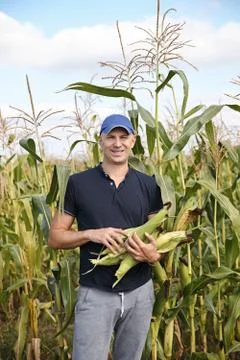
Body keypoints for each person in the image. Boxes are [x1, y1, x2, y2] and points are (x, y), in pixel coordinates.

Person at [48, 113, 163, 360]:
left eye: (124, 137)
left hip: (139, 294)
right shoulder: (78, 184)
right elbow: (55, 237)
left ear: (134, 140)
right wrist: (91, 233)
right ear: (100, 140)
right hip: (96, 294)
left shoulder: (149, 185)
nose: (117, 143)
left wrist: (154, 255)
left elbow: (159, 237)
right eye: (110, 137)